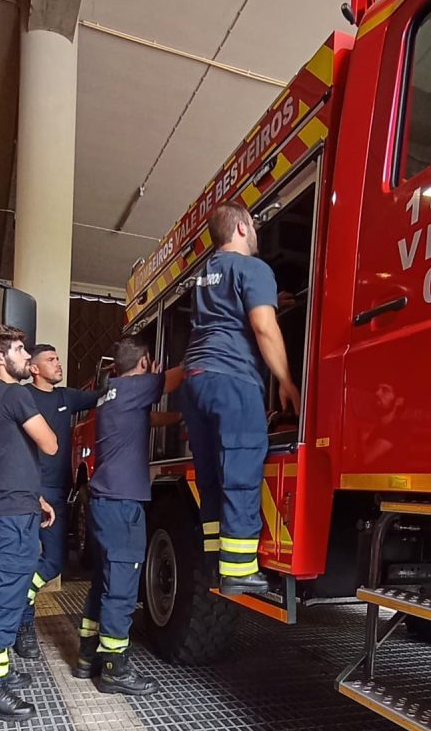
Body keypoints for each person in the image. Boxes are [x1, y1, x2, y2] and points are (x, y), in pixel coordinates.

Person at [179, 202, 301, 596]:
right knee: (241, 466)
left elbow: (226, 314)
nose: (257, 232)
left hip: (196, 381)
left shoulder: (204, 274)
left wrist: (269, 300)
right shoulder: (253, 269)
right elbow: (262, 328)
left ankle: (218, 562)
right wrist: (286, 381)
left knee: (213, 476)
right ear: (242, 228)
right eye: (254, 224)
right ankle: (239, 570)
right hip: (232, 380)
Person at [73, 338, 182, 694]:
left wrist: (180, 417)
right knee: (121, 588)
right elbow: (178, 377)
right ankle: (115, 670)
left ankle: (87, 656)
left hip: (107, 503)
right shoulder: (137, 385)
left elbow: (147, 418)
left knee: (103, 581)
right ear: (146, 362)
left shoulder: (113, 394)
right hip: (122, 506)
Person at [0, 325, 58, 722]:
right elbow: (50, 443)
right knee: (5, 595)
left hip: (8, 505)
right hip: (11, 514)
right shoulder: (15, 393)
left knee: (7, 588)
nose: (28, 356)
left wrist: (34, 497)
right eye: (21, 350)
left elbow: (4, 456)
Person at [13, 344, 102, 659]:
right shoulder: (22, 397)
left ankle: (23, 597)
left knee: (53, 561)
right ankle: (23, 628)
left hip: (57, 494)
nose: (57, 363)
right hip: (27, 492)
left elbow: (102, 395)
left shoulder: (66, 398)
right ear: (35, 368)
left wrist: (136, 378)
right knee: (20, 559)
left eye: (57, 358)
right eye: (50, 360)